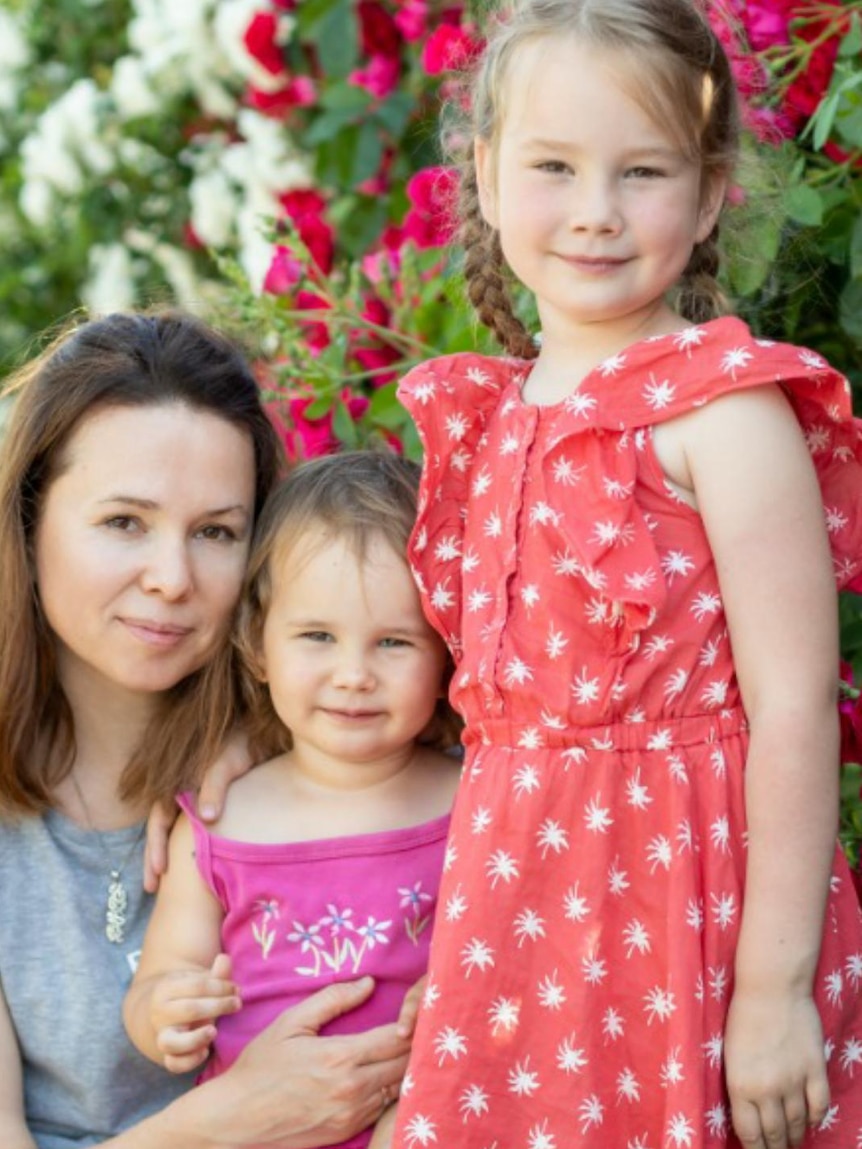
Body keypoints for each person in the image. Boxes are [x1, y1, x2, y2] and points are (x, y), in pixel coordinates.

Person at [389, 2, 862, 1147]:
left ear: (704, 200)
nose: (595, 213)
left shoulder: (721, 412)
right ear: (488, 177)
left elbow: (795, 706)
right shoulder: (493, 416)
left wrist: (769, 992)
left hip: (690, 916)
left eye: (641, 172)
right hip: (523, 920)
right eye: (554, 167)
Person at [0, 311, 413, 1149]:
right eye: (124, 521)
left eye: (217, 532)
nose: (172, 577)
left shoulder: (331, 763)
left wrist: (273, 750)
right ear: (29, 521)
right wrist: (225, 1124)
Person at [124, 451, 462, 1149]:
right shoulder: (220, 821)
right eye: (317, 636)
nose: (352, 674)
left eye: (394, 642)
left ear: (446, 653)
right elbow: (164, 972)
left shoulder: (473, 802)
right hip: (258, 1129)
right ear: (258, 642)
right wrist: (165, 1009)